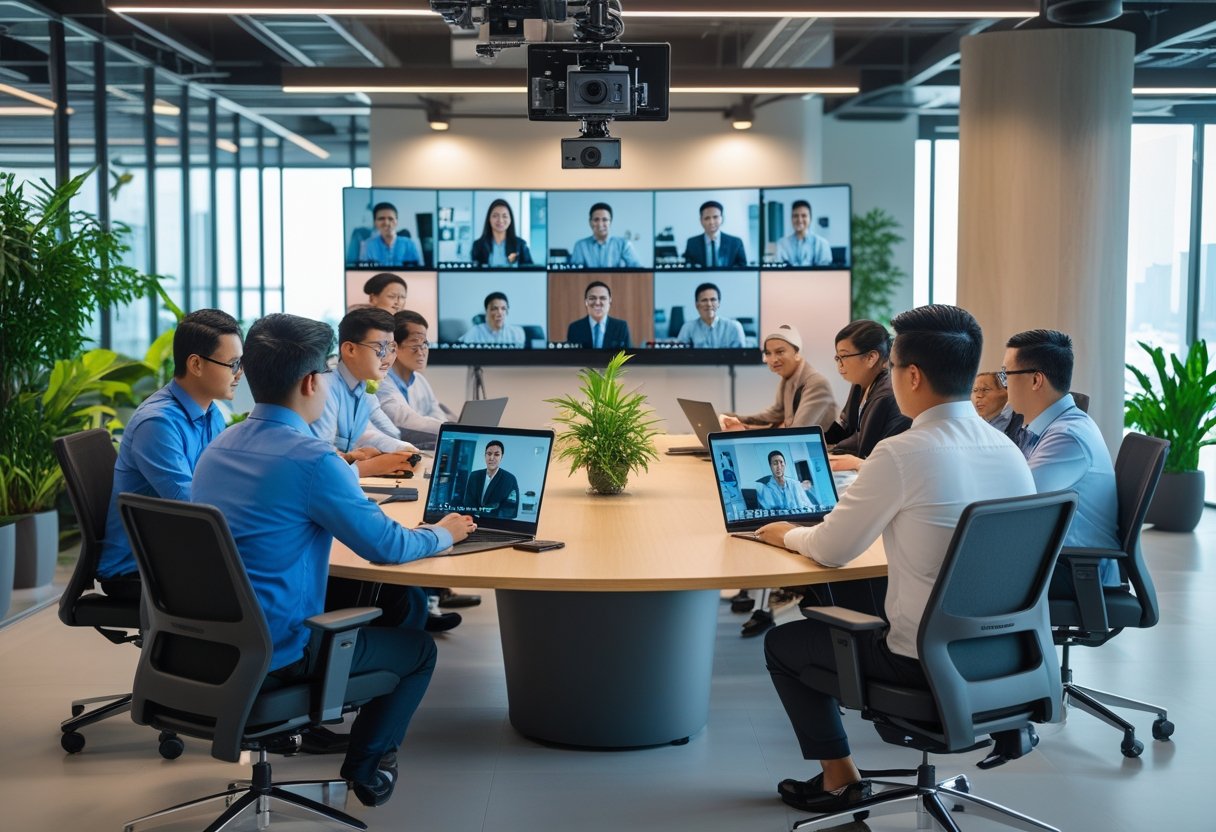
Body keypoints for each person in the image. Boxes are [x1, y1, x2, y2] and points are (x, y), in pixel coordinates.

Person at [754, 304, 1036, 817]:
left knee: (783, 642)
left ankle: (840, 780)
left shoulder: (904, 452)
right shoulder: (1008, 451)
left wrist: (784, 532)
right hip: (1011, 654)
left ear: (910, 374)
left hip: (922, 663)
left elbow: (831, 549)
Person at [191, 312, 476, 809]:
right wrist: (443, 532)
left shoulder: (219, 447)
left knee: (392, 601)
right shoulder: (313, 460)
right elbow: (389, 547)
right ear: (310, 381)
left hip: (209, 645)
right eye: (325, 370)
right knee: (418, 650)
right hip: (280, 652)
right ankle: (366, 770)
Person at [96, 309, 243, 601]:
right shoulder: (158, 423)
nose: (240, 373)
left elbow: (221, 485)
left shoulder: (211, 413)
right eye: (233, 364)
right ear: (196, 364)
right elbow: (193, 509)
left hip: (177, 549)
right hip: (139, 568)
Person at [1002, 329, 1120, 594]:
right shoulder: (1042, 428)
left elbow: (1015, 504)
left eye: (1006, 375)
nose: (1004, 385)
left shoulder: (1067, 437)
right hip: (1054, 557)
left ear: (1035, 380)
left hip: (1076, 571)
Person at [824, 320, 911, 472]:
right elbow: (845, 427)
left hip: (885, 471)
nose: (840, 364)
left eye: (844, 356)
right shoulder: (860, 383)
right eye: (837, 358)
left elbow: (866, 450)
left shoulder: (886, 394)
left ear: (871, 357)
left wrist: (834, 451)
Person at [722, 325, 836, 433]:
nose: (773, 360)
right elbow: (775, 414)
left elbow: (797, 432)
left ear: (797, 352)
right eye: (768, 353)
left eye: (780, 352)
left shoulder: (816, 384)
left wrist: (743, 430)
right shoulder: (788, 379)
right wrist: (737, 419)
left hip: (827, 451)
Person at [377, 310, 451, 450]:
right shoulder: (381, 381)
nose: (422, 352)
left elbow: (436, 412)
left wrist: (451, 429)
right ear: (394, 347)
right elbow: (404, 420)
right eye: (415, 345)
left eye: (425, 344)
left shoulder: (420, 380)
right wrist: (452, 429)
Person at [569, 202, 641, 269]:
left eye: (605, 220)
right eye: (596, 220)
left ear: (610, 222)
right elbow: (575, 275)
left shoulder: (624, 244)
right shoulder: (580, 246)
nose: (600, 224)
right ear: (590, 222)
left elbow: (638, 271)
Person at [461, 439, 520, 519]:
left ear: (501, 457)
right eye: (489, 454)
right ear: (485, 455)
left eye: (496, 454)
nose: (491, 458)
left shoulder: (510, 479)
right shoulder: (474, 475)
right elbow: (467, 502)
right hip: (473, 522)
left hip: (496, 525)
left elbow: (511, 509)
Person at [675, 282, 745, 348]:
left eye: (713, 300)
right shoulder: (687, 328)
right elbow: (680, 356)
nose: (709, 304)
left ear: (718, 303)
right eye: (704, 300)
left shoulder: (733, 327)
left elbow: (741, 358)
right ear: (697, 305)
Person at [565, 280, 632, 348]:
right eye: (592, 298)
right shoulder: (575, 328)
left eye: (603, 298)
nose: (597, 303)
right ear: (586, 302)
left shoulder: (621, 327)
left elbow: (627, 356)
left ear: (610, 301)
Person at [682, 200, 748, 268]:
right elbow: (688, 268)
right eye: (707, 218)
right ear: (701, 221)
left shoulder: (736, 243)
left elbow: (742, 268)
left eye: (715, 217)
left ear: (722, 218)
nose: (711, 222)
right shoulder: (692, 243)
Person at [356, 202, 423, 267]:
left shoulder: (410, 244)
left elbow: (420, 272)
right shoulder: (367, 245)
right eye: (381, 218)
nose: (386, 223)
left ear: (396, 221)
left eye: (390, 219)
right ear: (375, 222)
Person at [470, 199, 533, 267]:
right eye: (495, 216)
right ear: (489, 219)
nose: (500, 220)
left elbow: (530, 273)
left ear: (510, 219)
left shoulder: (520, 245)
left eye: (504, 216)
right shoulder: (478, 245)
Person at [776, 200, 833, 267]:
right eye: (795, 216)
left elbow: (825, 273)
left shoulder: (822, 244)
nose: (799, 220)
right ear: (791, 218)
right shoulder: (782, 244)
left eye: (804, 216)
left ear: (810, 218)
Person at [458, 292, 526, 346]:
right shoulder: (475, 332)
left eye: (503, 309)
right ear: (486, 311)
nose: (500, 313)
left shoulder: (517, 333)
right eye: (494, 309)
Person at [972, 370, 1020, 435]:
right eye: (975, 390)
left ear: (1006, 392)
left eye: (986, 389)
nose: (979, 395)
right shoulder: (973, 425)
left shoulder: (1023, 424)